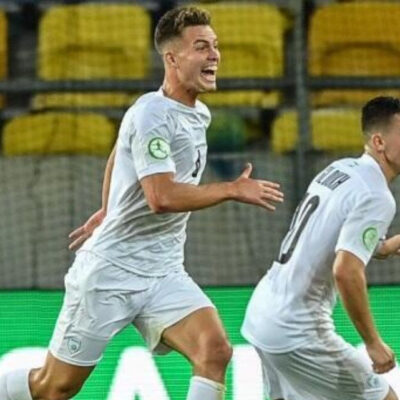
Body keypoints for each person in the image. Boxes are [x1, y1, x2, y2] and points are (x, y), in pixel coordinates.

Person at [0, 6, 284, 400]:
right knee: (54, 387)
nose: (215, 55)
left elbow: (120, 149)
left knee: (214, 350)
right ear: (172, 58)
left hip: (162, 271)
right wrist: (232, 189)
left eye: (215, 45)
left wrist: (108, 207)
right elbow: (161, 198)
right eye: (201, 47)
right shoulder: (152, 113)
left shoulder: (197, 113)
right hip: (110, 272)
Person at [241, 96, 400, 400]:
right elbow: (346, 272)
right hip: (298, 329)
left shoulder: (340, 169)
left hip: (264, 314)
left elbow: (335, 237)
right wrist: (373, 343)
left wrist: (386, 246)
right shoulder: (377, 196)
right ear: (379, 142)